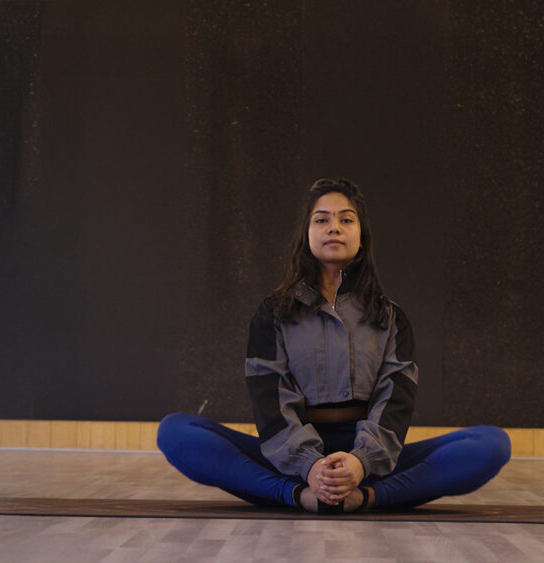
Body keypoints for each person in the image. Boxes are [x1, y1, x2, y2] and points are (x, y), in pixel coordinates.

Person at [157, 178, 511, 513]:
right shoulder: (273, 314)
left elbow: (396, 401)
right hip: (289, 462)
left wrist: (360, 462)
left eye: (346, 219)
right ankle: (301, 496)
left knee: (491, 445)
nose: (334, 227)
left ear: (362, 236)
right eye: (321, 219)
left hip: (372, 462)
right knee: (176, 432)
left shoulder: (391, 317)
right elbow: (269, 402)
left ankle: (364, 497)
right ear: (306, 234)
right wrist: (309, 466)